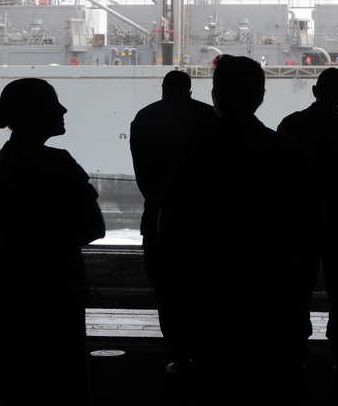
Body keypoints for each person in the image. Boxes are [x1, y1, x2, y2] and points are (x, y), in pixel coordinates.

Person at [158, 55, 324, 400]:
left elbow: (169, 231)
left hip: (213, 304)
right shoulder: (290, 154)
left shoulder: (194, 155)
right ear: (260, 97)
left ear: (216, 96)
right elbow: (312, 233)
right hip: (276, 304)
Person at [0, 78, 105, 405]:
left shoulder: (1, 163)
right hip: (54, 286)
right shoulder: (58, 163)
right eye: (53, 104)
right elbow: (94, 227)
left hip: (5, 285)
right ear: (34, 114)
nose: (62, 110)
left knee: (16, 381)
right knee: (64, 381)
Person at [277, 68, 338, 386]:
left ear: (315, 90)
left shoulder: (290, 126)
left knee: (296, 291)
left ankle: (294, 356)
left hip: (299, 220)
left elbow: (284, 174)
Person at [129, 70, 215, 373]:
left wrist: (156, 199)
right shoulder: (209, 116)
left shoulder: (144, 117)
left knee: (167, 289)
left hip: (158, 214)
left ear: (164, 89)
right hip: (204, 218)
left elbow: (142, 172)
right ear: (190, 91)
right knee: (203, 288)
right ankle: (205, 348)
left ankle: (177, 353)